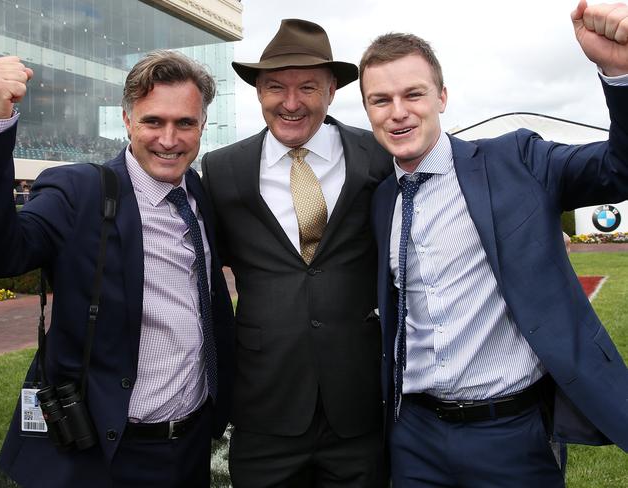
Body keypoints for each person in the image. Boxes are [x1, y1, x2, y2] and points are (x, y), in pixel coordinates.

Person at [361, 1, 628, 486]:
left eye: (413, 94)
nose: (398, 113)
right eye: (381, 100)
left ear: (442, 96)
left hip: (511, 436)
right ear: (367, 110)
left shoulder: (518, 161)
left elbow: (619, 167)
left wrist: (619, 72)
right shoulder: (382, 201)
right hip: (413, 436)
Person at [0, 50, 234, 487]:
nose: (169, 139)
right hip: (102, 454)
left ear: (203, 126)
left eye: (185, 123)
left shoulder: (200, 194)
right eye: (153, 121)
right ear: (127, 120)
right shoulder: (78, 190)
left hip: (189, 448)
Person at [201, 19, 391, 487]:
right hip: (265, 404)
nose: (290, 103)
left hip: (358, 407)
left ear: (331, 90)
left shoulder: (378, 158)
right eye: (274, 88)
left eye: (307, 86)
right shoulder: (222, 170)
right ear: (258, 93)